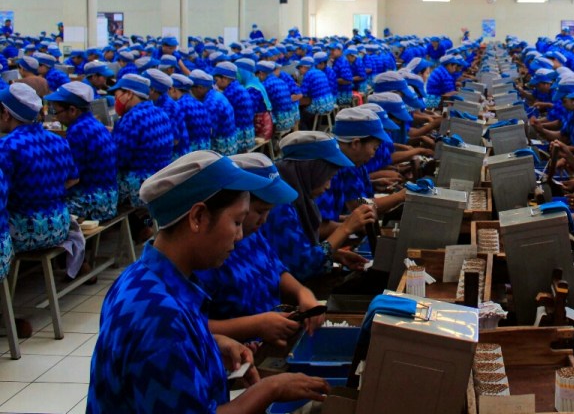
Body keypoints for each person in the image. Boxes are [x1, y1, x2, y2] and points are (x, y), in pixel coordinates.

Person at [87, 151, 331, 413]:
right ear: (197, 217)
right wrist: (270, 389)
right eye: (237, 222)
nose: (240, 237)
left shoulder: (141, 277)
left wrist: (210, 343)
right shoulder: (160, 316)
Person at [198, 153, 327, 347]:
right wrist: (254, 326)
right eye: (259, 211)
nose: (264, 220)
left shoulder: (253, 235)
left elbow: (276, 269)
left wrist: (302, 292)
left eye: (269, 211)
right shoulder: (207, 255)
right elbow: (193, 328)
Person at [258, 132, 374, 281]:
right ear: (311, 170)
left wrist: (335, 254)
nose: (328, 186)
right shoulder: (279, 205)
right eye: (328, 177)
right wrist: (345, 229)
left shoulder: (299, 196)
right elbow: (303, 266)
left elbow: (298, 250)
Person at [0, 83, 76, 251]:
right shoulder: (59, 141)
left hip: (26, 231)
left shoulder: (7, 146)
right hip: (60, 225)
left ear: (6, 113)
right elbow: (73, 178)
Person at [46, 82, 118, 221]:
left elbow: (72, 177)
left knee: (42, 213)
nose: (55, 117)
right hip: (109, 197)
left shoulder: (77, 131)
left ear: (72, 110)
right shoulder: (95, 124)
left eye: (56, 112)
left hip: (92, 202)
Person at [110, 74, 175, 208]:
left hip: (139, 187)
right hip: (161, 180)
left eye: (117, 96)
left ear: (129, 94)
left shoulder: (131, 119)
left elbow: (119, 159)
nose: (116, 101)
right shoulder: (161, 113)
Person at [191, 70, 239, 156]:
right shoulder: (215, 95)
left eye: (191, 89)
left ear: (200, 88)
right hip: (231, 143)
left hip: (223, 148)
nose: (191, 92)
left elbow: (209, 132)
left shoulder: (210, 104)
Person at [213, 62, 256, 153]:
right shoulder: (238, 88)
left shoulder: (230, 93)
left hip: (240, 139)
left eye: (216, 80)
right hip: (249, 135)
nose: (215, 84)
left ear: (224, 79)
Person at [171, 74, 213, 153]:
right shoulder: (200, 104)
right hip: (205, 151)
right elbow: (210, 130)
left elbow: (177, 137)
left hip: (189, 154)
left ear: (173, 89)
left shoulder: (178, 106)